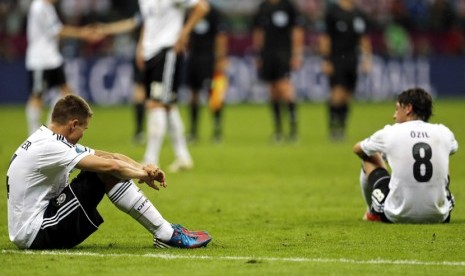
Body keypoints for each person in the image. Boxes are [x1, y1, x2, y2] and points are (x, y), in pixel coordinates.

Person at [7, 94, 212, 249]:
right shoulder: (50, 147)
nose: (82, 135)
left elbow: (110, 156)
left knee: (104, 166)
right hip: (36, 231)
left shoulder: (48, 139)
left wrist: (144, 168)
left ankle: (165, 230)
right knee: (104, 172)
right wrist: (142, 176)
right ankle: (166, 234)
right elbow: (111, 167)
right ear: (73, 124)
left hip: (42, 218)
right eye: (83, 130)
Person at [353, 88, 458, 223]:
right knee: (443, 155)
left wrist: (382, 153)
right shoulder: (443, 132)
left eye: (397, 109)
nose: (394, 115)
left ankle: (371, 212)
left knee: (368, 156)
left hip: (396, 215)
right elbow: (452, 149)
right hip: (439, 216)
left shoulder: (391, 132)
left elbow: (357, 149)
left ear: (408, 108)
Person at [137, 0, 209, 172]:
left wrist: (184, 33)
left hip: (167, 50)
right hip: (150, 52)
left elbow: (202, 7)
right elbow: (149, 21)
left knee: (156, 104)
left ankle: (150, 159)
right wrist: (140, 46)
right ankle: (183, 156)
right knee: (167, 106)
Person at [25, 0, 102, 135]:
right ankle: (33, 133)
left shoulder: (48, 7)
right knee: (37, 96)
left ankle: (50, 131)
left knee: (66, 93)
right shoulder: (39, 7)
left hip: (53, 59)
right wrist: (82, 33)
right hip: (40, 59)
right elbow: (57, 30)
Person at [252, 0, 305, 143]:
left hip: (284, 54)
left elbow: (297, 31)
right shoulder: (262, 7)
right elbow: (258, 33)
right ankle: (278, 131)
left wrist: (296, 54)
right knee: (273, 92)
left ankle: (293, 131)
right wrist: (258, 54)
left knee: (285, 89)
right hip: (267, 54)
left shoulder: (288, 6)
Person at [319, 0, 372, 141]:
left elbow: (363, 39)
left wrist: (367, 59)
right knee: (337, 93)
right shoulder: (333, 13)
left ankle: (342, 127)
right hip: (336, 58)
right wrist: (326, 59)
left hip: (352, 59)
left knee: (347, 95)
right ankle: (333, 127)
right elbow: (325, 38)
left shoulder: (359, 14)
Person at [185, 2, 229, 143]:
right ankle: (193, 131)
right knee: (193, 94)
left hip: (210, 58)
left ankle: (217, 132)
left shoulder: (214, 12)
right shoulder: (189, 12)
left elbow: (221, 37)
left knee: (214, 94)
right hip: (193, 58)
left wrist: (220, 58)